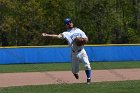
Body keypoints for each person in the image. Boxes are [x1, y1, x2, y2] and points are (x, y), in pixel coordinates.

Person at [42, 18, 92, 84]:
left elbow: (86, 38)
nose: (69, 23)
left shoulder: (78, 30)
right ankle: (75, 73)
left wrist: (83, 40)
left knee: (87, 65)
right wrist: (47, 35)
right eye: (67, 23)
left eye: (70, 22)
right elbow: (58, 36)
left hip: (82, 51)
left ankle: (88, 80)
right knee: (75, 70)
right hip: (74, 53)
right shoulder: (66, 33)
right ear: (66, 25)